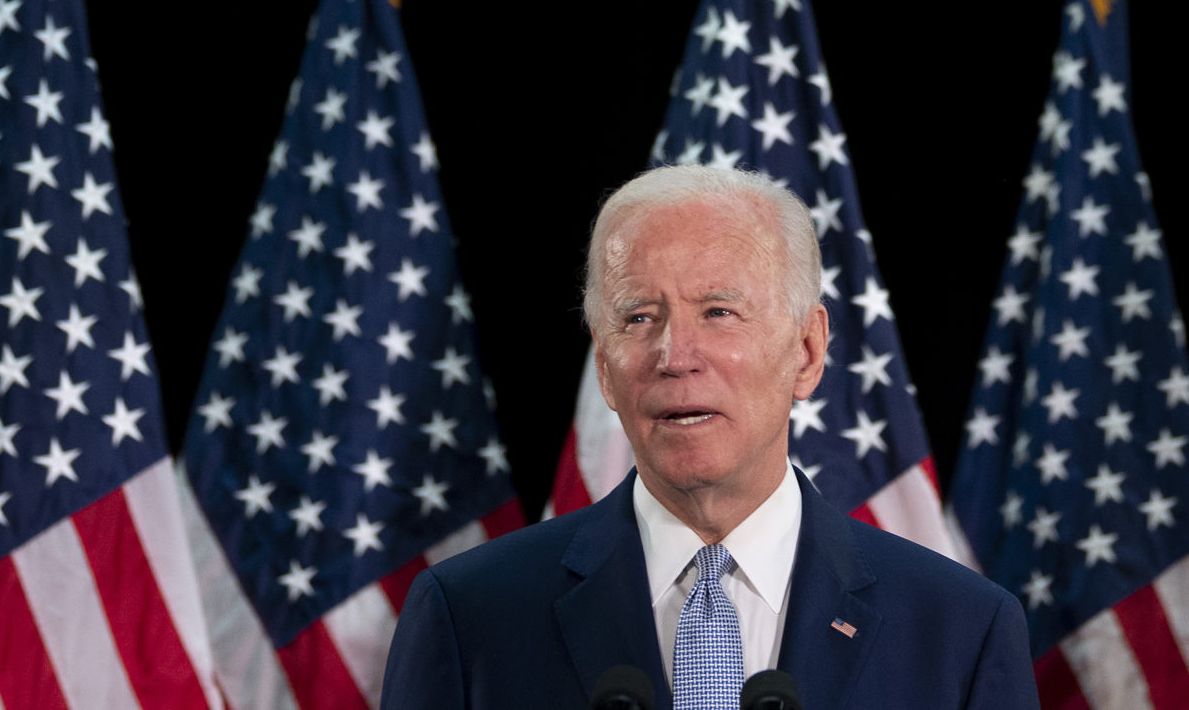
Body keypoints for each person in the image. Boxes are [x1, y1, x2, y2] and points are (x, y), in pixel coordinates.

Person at [384, 165, 1034, 708]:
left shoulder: (960, 631)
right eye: (639, 317)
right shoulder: (469, 617)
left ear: (807, 352)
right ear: (605, 368)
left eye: (719, 312)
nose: (675, 354)